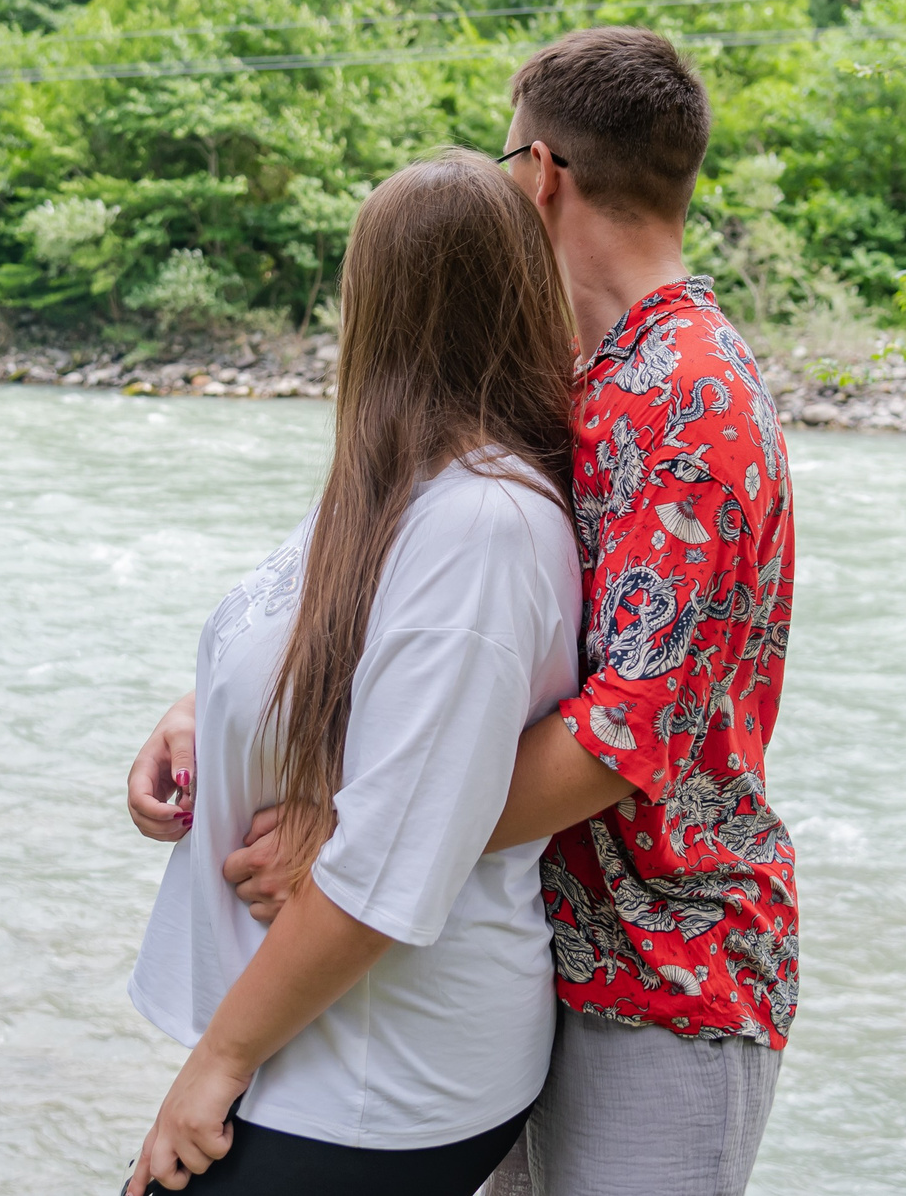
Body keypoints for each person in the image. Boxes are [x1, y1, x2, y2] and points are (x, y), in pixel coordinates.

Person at [129, 27, 800, 1196]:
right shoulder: (588, 372)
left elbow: (616, 738)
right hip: (533, 939)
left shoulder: (686, 395)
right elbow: (408, 611)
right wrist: (225, 703)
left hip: (660, 961)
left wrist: (349, 833)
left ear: (540, 173)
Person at [123, 149, 586, 1195]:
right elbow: (317, 645)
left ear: (371, 304)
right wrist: (202, 712)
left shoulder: (482, 528)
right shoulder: (396, 475)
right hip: (315, 1040)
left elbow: (387, 857)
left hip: (384, 1067)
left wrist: (215, 1063)